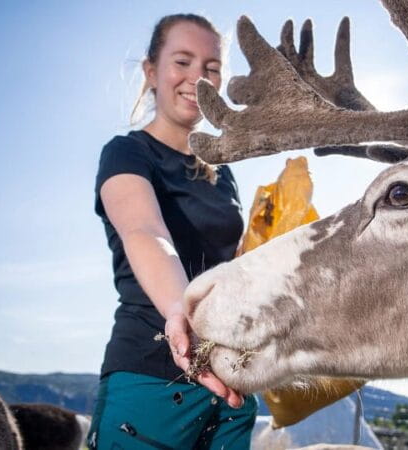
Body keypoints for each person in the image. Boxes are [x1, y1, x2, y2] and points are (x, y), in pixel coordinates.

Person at [87, 13, 257, 449]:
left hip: (231, 388)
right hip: (150, 380)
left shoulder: (224, 176)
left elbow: (233, 269)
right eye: (182, 62)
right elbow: (145, 231)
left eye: (211, 68)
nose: (197, 78)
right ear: (151, 71)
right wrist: (183, 315)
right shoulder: (127, 153)